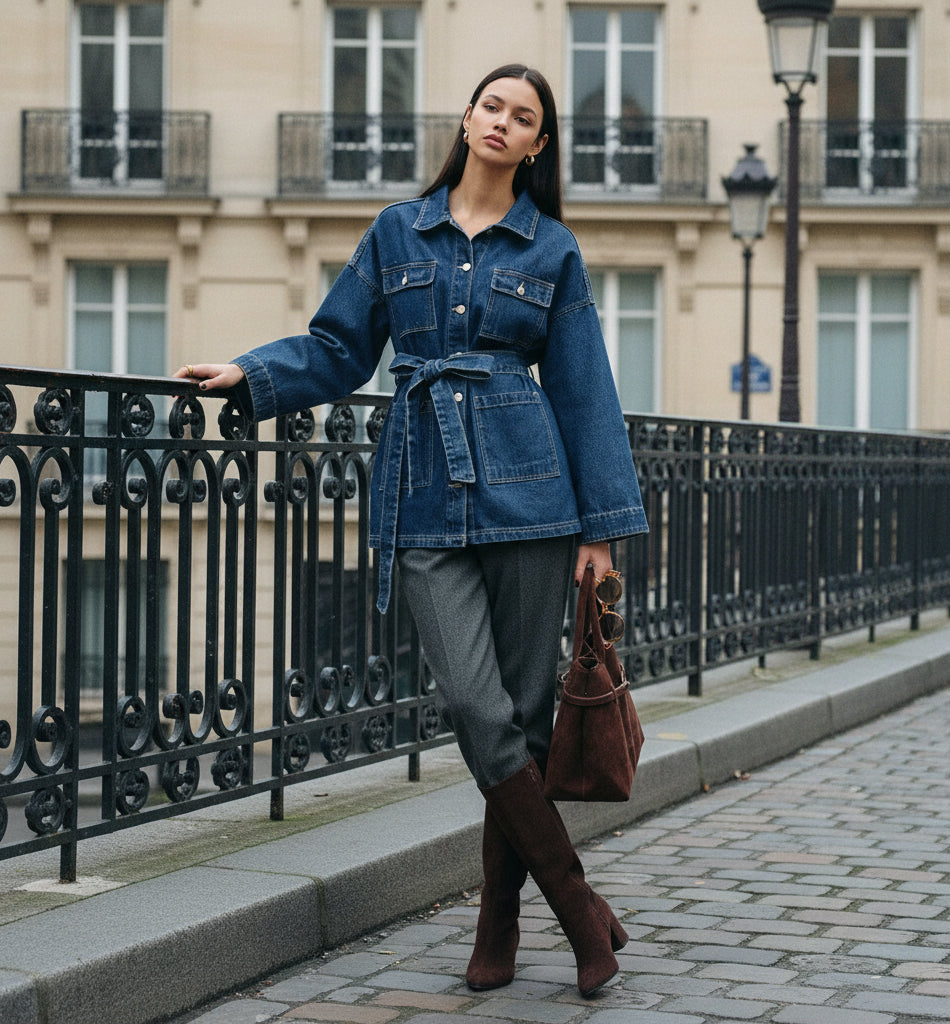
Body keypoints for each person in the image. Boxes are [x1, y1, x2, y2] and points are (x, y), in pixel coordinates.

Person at [175, 63, 648, 997]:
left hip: (533, 501)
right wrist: (251, 373)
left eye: (525, 118)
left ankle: (500, 920)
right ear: (467, 118)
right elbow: (339, 346)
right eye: (493, 107)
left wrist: (602, 530)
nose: (504, 124)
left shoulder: (552, 250)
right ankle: (580, 908)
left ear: (538, 144)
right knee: (477, 711)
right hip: (421, 496)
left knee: (517, 717)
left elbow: (587, 389)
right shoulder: (398, 229)